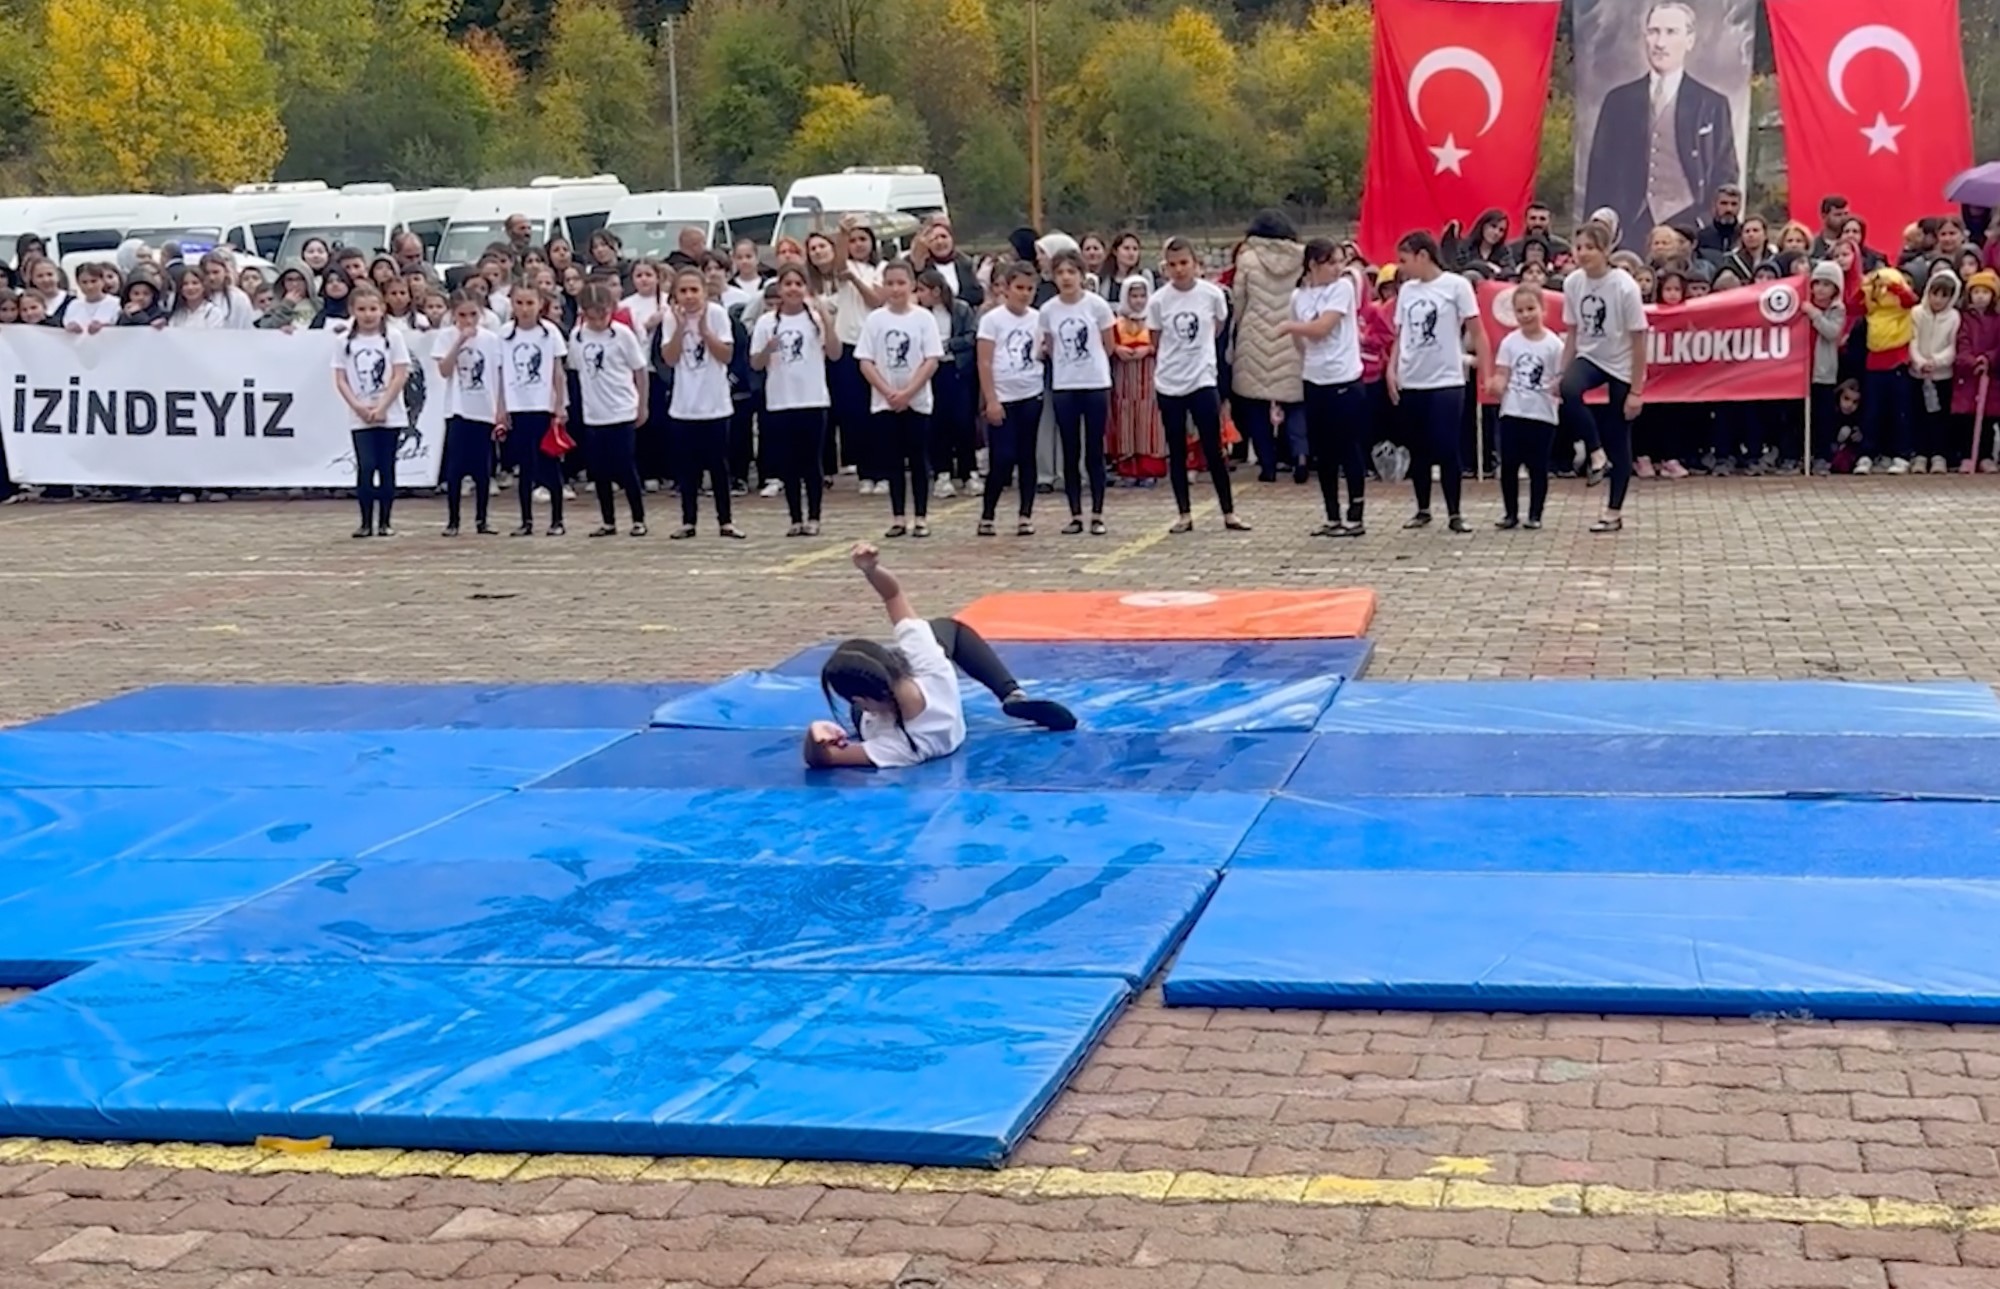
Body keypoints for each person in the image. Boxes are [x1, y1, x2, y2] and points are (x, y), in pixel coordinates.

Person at [804, 543, 1078, 770]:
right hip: (921, 697)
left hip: (898, 712)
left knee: (938, 632)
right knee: (948, 629)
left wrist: (815, 734)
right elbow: (894, 594)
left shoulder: (903, 743)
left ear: (860, 701)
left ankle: (1013, 695)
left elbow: (824, 760)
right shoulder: (932, 674)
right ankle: (1011, 693)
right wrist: (872, 570)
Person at [1583, 1, 1739, 247]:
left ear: (1689, 40)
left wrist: (1704, 222)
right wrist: (1594, 234)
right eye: (1654, 31)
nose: (1660, 43)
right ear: (1645, 37)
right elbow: (1600, 174)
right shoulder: (1618, 101)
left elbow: (1725, 172)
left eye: (1670, 32)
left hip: (1688, 227)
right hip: (1630, 225)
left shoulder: (1712, 104)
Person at [1387, 230, 1488, 533]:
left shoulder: (1456, 286)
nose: (1402, 267)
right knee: (1418, 447)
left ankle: (1455, 511)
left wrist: (1486, 365)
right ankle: (1422, 508)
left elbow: (1478, 330)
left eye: (1405, 260)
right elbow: (1401, 335)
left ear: (1423, 255)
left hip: (1446, 378)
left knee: (1446, 446)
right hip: (1413, 377)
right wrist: (1392, 369)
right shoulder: (1407, 291)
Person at [1150, 237, 1249, 534]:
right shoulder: (1158, 301)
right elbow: (1156, 340)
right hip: (1169, 381)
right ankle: (1184, 513)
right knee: (1177, 449)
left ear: (1196, 264)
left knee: (1213, 446)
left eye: (1184, 263)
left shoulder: (1212, 295)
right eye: (1173, 265)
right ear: (1166, 267)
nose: (1179, 270)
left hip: (1203, 378)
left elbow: (1218, 326)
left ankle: (1228, 512)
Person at [1559, 224, 1647, 532]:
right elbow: (1572, 331)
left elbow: (1638, 340)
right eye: (1579, 247)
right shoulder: (1572, 283)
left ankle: (1613, 511)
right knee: (1569, 390)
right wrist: (1561, 370)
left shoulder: (1624, 286)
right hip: (1591, 356)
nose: (1583, 253)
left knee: (1618, 436)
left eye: (1590, 248)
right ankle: (1596, 454)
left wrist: (1637, 390)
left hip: (1621, 363)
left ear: (1605, 251)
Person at [1280, 239, 1366, 537]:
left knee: (1348, 447)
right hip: (1315, 379)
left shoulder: (1342, 288)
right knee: (1323, 451)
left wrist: (1291, 327)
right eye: (1331, 262)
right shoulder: (1298, 296)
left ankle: (1356, 514)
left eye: (1340, 261)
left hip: (1344, 378)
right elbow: (1302, 343)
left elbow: (1322, 328)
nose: (1337, 268)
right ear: (1313, 265)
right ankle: (1332, 514)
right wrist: (1305, 355)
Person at [856, 260, 943, 539]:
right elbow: (865, 362)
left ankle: (920, 516)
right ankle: (897, 517)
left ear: (911, 285)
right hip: (884, 402)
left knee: (918, 459)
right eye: (890, 283)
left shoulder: (923, 318)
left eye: (901, 283)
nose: (896, 289)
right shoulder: (875, 319)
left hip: (917, 401)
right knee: (892, 460)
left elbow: (931, 360)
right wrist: (887, 391)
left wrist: (908, 392)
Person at [752, 265, 841, 537]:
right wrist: (769, 349)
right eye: (787, 283)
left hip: (812, 399)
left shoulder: (814, 319)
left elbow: (835, 354)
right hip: (781, 400)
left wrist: (826, 319)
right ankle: (795, 517)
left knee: (811, 461)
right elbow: (755, 363)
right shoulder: (767, 322)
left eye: (798, 284)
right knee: (788, 463)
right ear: (779, 289)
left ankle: (814, 516)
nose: (792, 289)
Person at [1037, 248, 1118, 535]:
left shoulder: (1097, 306)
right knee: (1070, 450)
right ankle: (1075, 514)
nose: (1066, 278)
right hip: (1065, 385)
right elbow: (1050, 346)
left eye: (1072, 272)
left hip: (1094, 383)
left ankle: (1097, 513)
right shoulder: (1048, 310)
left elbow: (1109, 345)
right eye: (1060, 272)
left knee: (1093, 449)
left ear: (1082, 275)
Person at [663, 266, 742, 539]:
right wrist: (681, 328)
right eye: (683, 291)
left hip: (715, 403)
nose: (689, 296)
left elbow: (726, 355)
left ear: (705, 292)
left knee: (719, 465)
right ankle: (688, 521)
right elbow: (670, 358)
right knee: (687, 468)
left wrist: (706, 332)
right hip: (684, 404)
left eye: (694, 290)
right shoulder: (671, 318)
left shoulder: (718, 315)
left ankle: (725, 521)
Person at [569, 282, 650, 536]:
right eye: (591, 317)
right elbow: (576, 370)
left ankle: (638, 518)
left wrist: (642, 404)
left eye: (602, 315)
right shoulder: (578, 336)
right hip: (594, 412)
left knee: (625, 466)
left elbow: (639, 370)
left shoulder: (622, 334)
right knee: (599, 469)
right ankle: (608, 520)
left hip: (622, 409)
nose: (598, 322)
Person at [331, 284, 411, 539]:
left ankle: (385, 521)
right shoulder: (344, 341)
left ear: (382, 309)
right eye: (362, 309)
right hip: (360, 415)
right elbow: (341, 378)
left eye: (373, 309)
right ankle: (365, 522)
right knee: (366, 466)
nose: (368, 315)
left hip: (390, 413)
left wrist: (383, 406)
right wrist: (358, 406)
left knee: (386, 467)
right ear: (352, 310)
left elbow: (400, 374)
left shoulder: (393, 337)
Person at [977, 262, 1046, 537]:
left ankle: (1025, 514)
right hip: (1003, 396)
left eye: (1030, 289)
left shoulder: (1039, 318)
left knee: (1027, 456)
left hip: (1031, 392)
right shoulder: (992, 320)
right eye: (1019, 288)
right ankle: (988, 513)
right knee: (1002, 457)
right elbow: (984, 361)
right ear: (1006, 289)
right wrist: (991, 400)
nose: (1024, 294)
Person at [1489, 284, 1565, 530]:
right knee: (1509, 464)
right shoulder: (1510, 342)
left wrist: (1558, 385)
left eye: (1531, 308)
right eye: (1519, 310)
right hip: (1513, 411)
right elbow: (1502, 372)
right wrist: (1497, 384)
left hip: (1542, 414)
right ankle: (1510, 513)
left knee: (1538, 467)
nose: (1526, 315)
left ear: (1543, 309)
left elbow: (1561, 375)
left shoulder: (1554, 345)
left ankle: (1535, 514)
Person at [496, 282, 569, 536]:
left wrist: (559, 405)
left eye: (530, 303)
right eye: (519, 303)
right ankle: (526, 520)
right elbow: (501, 372)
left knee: (549, 464)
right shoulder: (504, 334)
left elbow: (558, 372)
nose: (525, 309)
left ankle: (557, 519)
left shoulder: (550, 333)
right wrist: (501, 408)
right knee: (525, 466)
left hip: (544, 407)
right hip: (518, 407)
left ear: (540, 304)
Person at [917, 268, 979, 499]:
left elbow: (971, 336)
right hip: (932, 372)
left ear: (936, 290)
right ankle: (942, 472)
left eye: (922, 290)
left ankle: (968, 472)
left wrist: (948, 345)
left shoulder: (960, 309)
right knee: (937, 423)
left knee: (963, 422)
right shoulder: (921, 314)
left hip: (957, 370)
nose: (919, 295)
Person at [1859, 263, 1919, 474]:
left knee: (1900, 411)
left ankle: (1901, 454)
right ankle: (1867, 454)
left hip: (1898, 363)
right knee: (1872, 412)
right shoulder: (1872, 312)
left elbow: (1911, 299)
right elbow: (1852, 304)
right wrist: (1867, 284)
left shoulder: (1904, 307)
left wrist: (1893, 284)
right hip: (1874, 364)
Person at [1109, 276, 1167, 486]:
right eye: (1133, 296)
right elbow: (1108, 343)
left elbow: (1163, 344)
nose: (1138, 300)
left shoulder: (1154, 319)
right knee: (1125, 419)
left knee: (1149, 421)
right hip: (1124, 379)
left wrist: (1149, 349)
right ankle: (1127, 469)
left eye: (1143, 295)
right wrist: (1117, 349)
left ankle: (1149, 469)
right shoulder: (1117, 321)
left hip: (1148, 377)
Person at [1910, 267, 1961, 474]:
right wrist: (1920, 362)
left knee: (1940, 418)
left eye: (1944, 296)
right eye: (1934, 294)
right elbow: (1912, 340)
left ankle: (1939, 455)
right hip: (1918, 375)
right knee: (1919, 415)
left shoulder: (1954, 317)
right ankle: (1921, 455)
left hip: (1942, 376)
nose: (1938, 300)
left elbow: (1953, 346)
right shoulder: (1917, 313)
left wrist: (1937, 362)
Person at [1955, 269, 2000, 470]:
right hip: (1968, 376)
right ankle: (1966, 455)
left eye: (1985, 292)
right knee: (1967, 419)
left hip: (1990, 376)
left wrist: (1989, 359)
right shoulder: (1965, 318)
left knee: (1988, 420)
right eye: (1976, 292)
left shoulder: (1997, 320)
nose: (1980, 296)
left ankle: (1985, 456)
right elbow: (1961, 342)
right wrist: (1971, 361)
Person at [62, 263, 119, 335]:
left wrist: (105, 328)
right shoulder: (73, 305)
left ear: (102, 281)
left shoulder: (116, 303)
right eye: (84, 282)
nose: (89, 287)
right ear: (78, 283)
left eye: (94, 281)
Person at [1694, 184, 1745, 263]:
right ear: (1714, 205)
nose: (1729, 209)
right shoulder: (1701, 237)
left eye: (1734, 204)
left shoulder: (1746, 236)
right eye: (1724, 203)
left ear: (1740, 207)